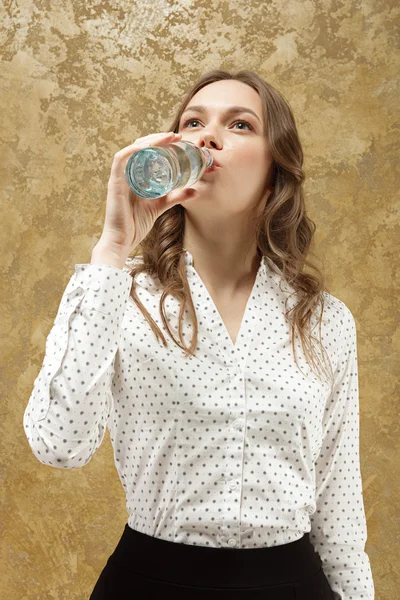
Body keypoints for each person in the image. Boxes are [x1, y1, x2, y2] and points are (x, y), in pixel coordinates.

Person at [23, 70, 375, 599]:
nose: (208, 136)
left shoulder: (324, 320)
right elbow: (59, 445)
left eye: (239, 124)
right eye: (193, 122)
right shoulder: (117, 293)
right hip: (150, 583)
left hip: (293, 585)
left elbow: (340, 513)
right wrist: (112, 249)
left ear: (276, 167)